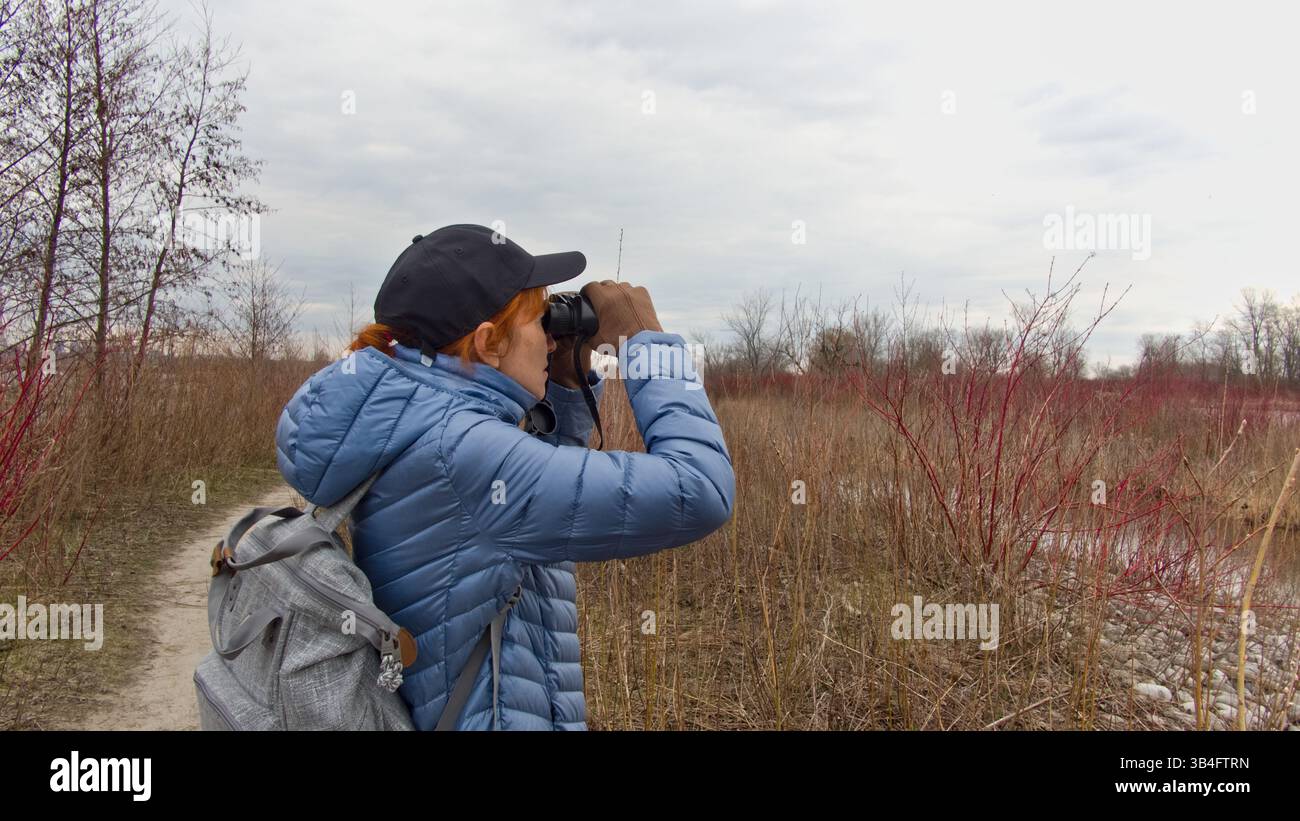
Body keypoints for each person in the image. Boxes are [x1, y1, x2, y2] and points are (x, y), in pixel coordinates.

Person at [274, 224, 735, 730]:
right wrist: (646, 341)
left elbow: (514, 531)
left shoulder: (418, 421)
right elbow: (700, 488)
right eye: (540, 322)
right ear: (489, 342)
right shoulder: (463, 450)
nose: (551, 336)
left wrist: (562, 387)